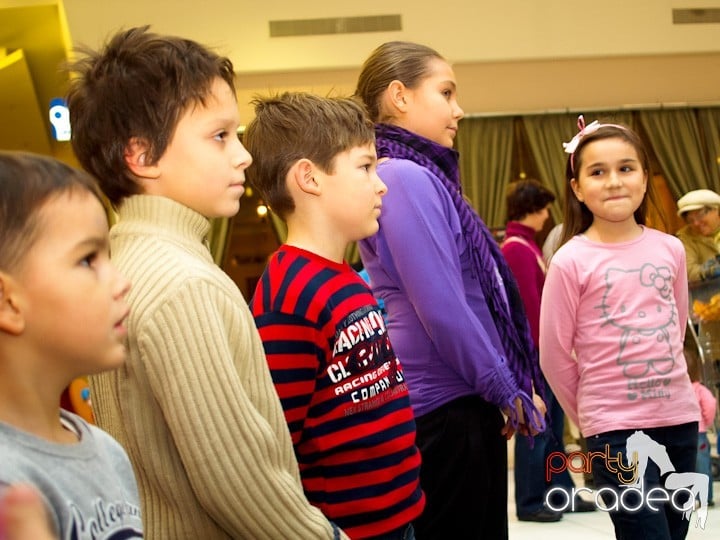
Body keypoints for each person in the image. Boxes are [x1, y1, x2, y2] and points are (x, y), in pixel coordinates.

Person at [66, 27, 344, 539]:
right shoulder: (185, 284)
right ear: (141, 156)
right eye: (219, 137)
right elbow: (239, 482)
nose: (242, 156)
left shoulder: (123, 258)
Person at [354, 41, 544, 539]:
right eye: (445, 92)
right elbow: (442, 307)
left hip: (453, 397)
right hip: (445, 407)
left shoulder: (412, 174)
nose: (458, 109)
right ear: (399, 96)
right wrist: (504, 386)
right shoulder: (403, 175)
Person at [243, 92, 425, 540]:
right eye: (365, 167)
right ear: (309, 178)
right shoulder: (290, 294)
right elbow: (277, 438)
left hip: (399, 512)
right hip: (350, 528)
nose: (381, 184)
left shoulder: (343, 277)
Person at [540, 116, 701, 539]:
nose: (613, 181)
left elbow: (676, 326)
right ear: (577, 187)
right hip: (613, 431)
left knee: (676, 531)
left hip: (678, 421)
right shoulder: (570, 260)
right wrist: (593, 419)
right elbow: (554, 357)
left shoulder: (670, 250)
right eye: (597, 171)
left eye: (626, 168)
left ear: (645, 179)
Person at [0, 152, 142, 538]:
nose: (121, 282)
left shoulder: (105, 451)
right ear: (7, 302)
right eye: (87, 260)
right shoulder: (8, 484)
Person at [501, 180, 595, 521]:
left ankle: (561, 493)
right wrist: (548, 353)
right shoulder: (517, 248)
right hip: (537, 354)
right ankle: (529, 501)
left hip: (543, 352)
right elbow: (530, 310)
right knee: (538, 429)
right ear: (533, 210)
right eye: (543, 209)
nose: (546, 216)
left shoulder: (527, 246)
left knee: (552, 428)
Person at [688, 355, 717, 507]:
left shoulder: (683, 390)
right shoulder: (700, 389)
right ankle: (706, 496)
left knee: (690, 465)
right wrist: (706, 421)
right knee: (702, 466)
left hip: (687, 432)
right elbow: (711, 405)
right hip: (699, 432)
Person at [675, 189, 720, 282]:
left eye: (700, 216)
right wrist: (709, 271)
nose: (696, 223)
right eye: (690, 220)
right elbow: (689, 272)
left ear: (716, 210)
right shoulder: (685, 238)